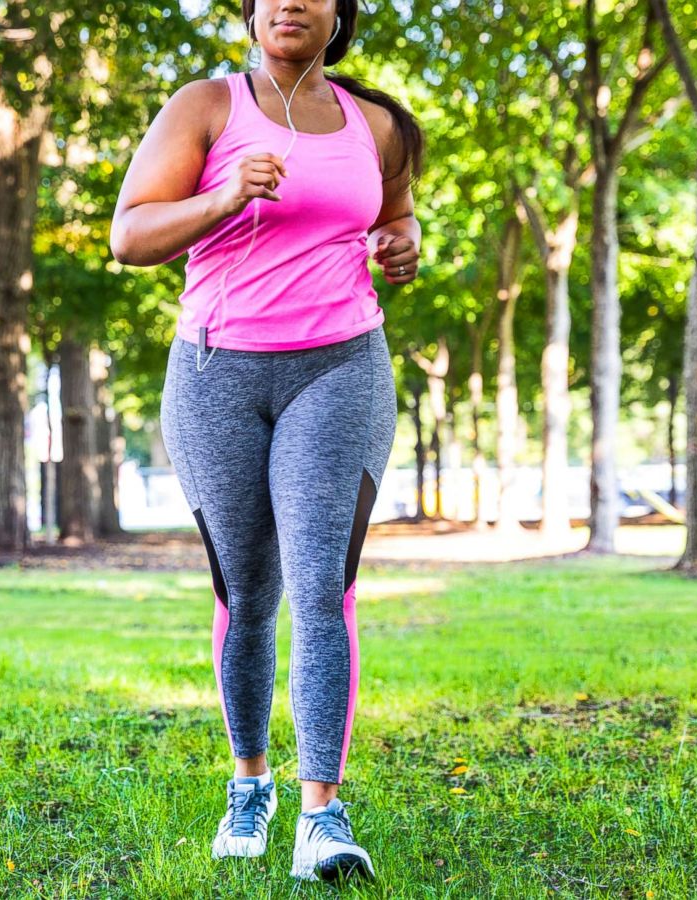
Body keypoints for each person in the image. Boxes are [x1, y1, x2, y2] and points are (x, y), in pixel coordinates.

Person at [109, 0, 424, 883]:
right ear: (249, 13)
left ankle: (322, 813)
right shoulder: (206, 106)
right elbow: (128, 235)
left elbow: (394, 216)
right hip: (218, 373)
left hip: (340, 366)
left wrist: (403, 245)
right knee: (248, 591)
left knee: (323, 584)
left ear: (338, 14)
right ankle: (251, 785)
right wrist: (223, 195)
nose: (291, 0)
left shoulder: (378, 124)